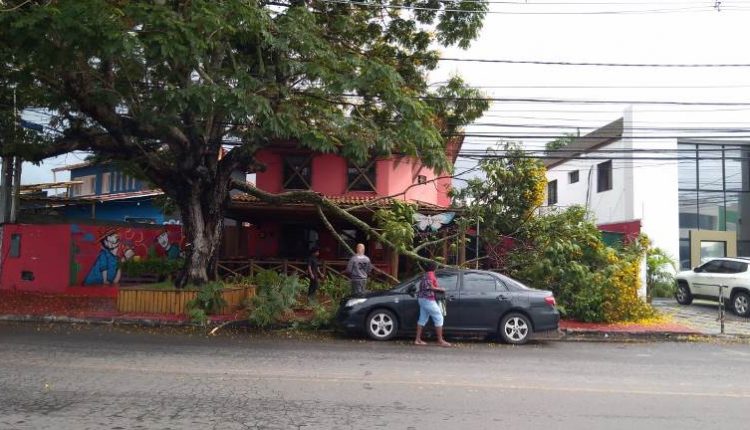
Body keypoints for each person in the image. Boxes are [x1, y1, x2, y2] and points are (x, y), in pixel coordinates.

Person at [414, 263, 451, 347]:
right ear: (435, 268)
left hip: (422, 298)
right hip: (428, 299)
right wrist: (441, 289)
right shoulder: (430, 274)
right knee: (439, 317)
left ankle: (417, 340)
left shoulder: (425, 275)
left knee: (422, 319)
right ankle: (440, 341)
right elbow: (430, 287)